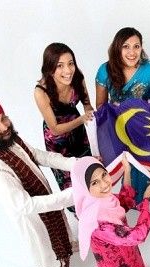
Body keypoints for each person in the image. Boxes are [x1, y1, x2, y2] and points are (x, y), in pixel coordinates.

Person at [0, 101, 77, 267]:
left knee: (59, 227)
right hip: (30, 216)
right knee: (42, 249)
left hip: (45, 201)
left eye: (3, 118)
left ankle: (67, 245)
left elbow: (39, 156)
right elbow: (25, 205)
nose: (4, 127)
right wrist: (68, 197)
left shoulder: (12, 141)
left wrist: (75, 164)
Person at [71, 155, 150, 267]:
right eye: (94, 182)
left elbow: (124, 201)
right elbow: (137, 235)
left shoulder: (100, 199)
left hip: (123, 255)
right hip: (121, 264)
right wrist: (146, 200)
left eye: (104, 175)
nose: (105, 184)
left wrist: (126, 170)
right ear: (85, 188)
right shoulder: (98, 222)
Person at [95, 27, 150, 204]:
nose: (132, 52)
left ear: (141, 48)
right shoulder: (105, 70)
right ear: (118, 48)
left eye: (136, 46)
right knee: (125, 162)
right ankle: (127, 195)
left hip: (142, 125)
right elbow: (100, 106)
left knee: (143, 160)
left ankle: (144, 196)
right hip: (116, 125)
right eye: (126, 46)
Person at [34, 42, 94, 213]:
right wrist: (82, 119)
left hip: (79, 134)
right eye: (60, 66)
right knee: (69, 179)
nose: (68, 70)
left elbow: (87, 104)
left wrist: (91, 115)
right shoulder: (41, 91)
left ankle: (94, 204)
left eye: (70, 63)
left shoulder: (77, 78)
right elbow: (55, 129)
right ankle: (80, 213)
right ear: (49, 68)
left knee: (88, 169)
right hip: (58, 141)